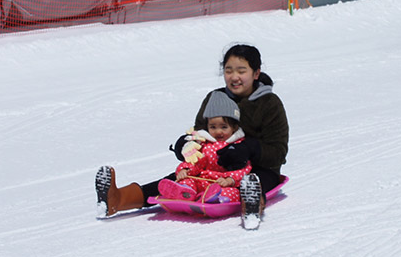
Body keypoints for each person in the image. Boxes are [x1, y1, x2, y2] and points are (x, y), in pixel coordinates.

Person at [97, 43, 289, 216]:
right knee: (176, 181)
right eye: (229, 70)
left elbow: (279, 152)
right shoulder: (215, 99)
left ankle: (252, 205)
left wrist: (250, 149)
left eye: (241, 71)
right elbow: (201, 135)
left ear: (256, 73)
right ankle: (117, 199)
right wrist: (187, 145)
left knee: (252, 181)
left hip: (258, 168)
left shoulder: (269, 103)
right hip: (214, 168)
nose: (234, 77)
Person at [159, 93, 256, 203]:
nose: (218, 131)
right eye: (213, 127)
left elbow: (244, 169)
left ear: (234, 127)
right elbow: (195, 162)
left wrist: (230, 180)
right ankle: (185, 193)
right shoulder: (204, 144)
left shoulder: (238, 146)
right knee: (187, 181)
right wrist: (185, 170)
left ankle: (217, 199)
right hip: (203, 182)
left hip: (223, 183)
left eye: (224, 127)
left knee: (233, 193)